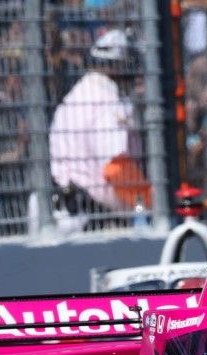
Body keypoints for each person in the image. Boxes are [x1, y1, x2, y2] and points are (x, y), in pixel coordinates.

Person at [49, 27, 150, 229]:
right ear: (115, 66)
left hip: (70, 212)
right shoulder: (108, 100)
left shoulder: (79, 94)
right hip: (93, 220)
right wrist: (145, 207)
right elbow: (117, 169)